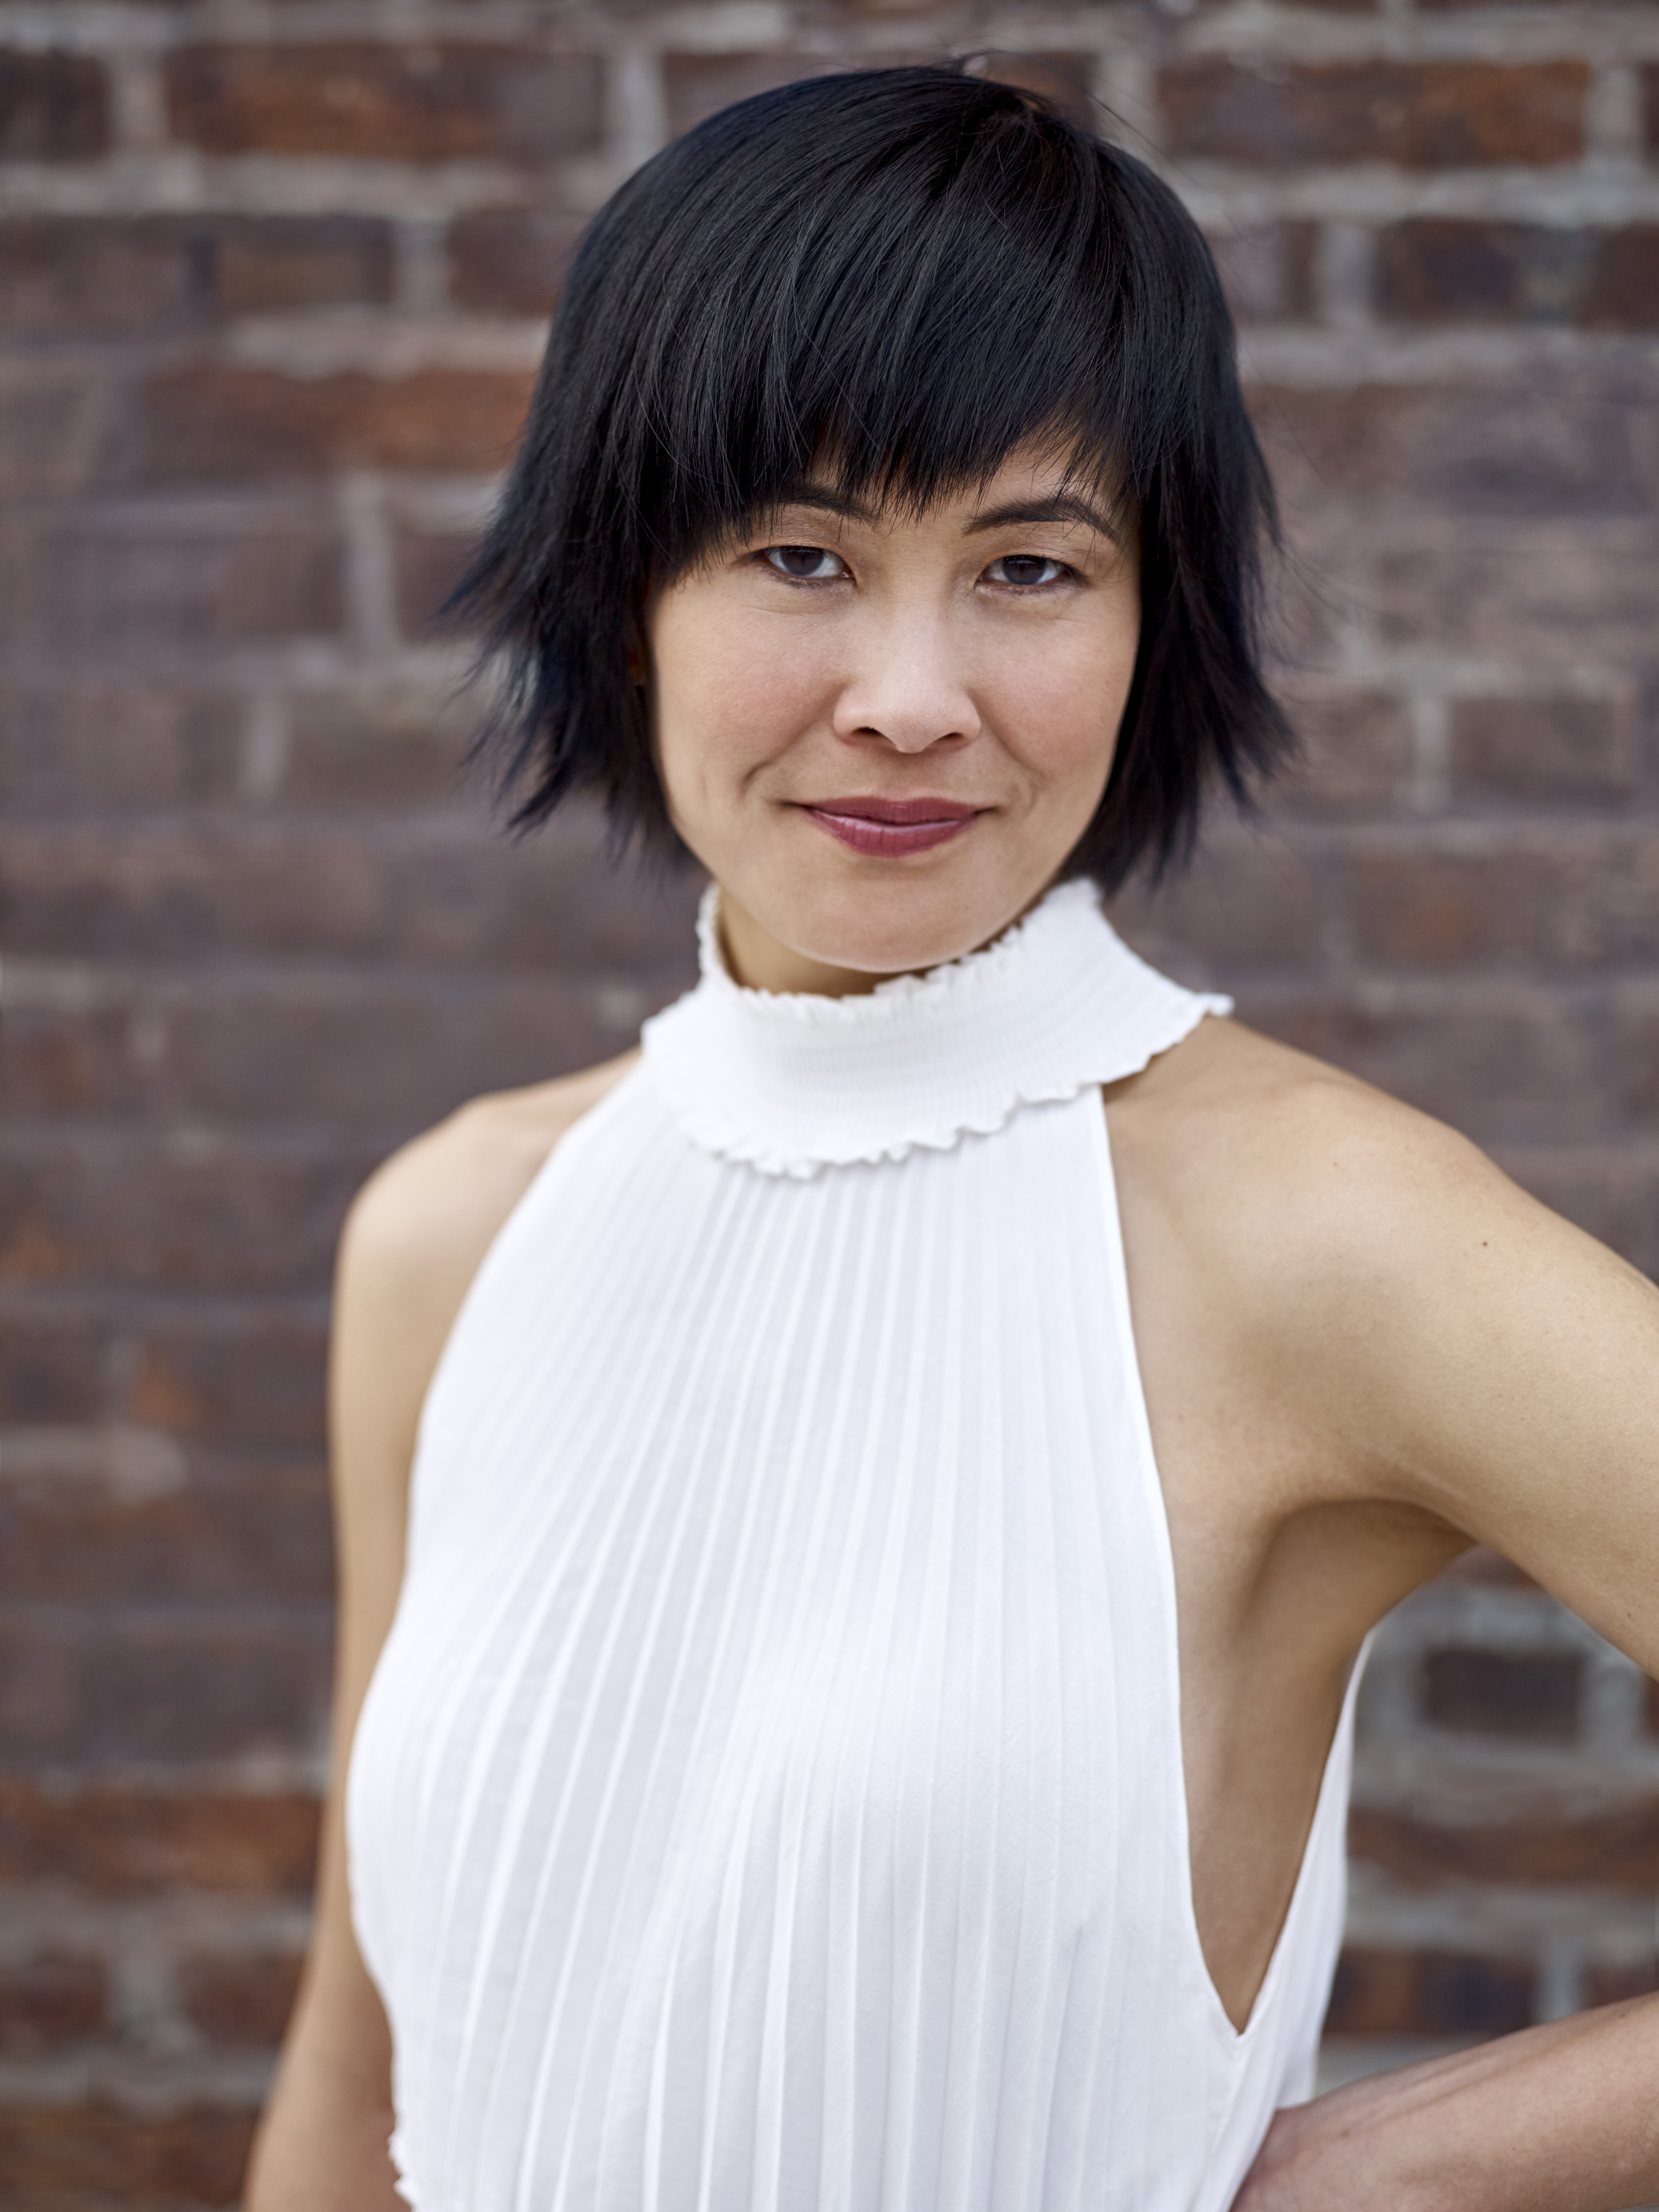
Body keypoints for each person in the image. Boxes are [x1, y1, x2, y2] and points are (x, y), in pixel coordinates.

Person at [245, 63, 1659, 2212]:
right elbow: (360, 2072)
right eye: (799, 554)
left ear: (1142, 619)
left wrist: (1393, 2173)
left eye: (1025, 565)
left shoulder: (1310, 1235)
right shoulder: (457, 1230)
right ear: (623, 586)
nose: (910, 692)